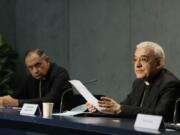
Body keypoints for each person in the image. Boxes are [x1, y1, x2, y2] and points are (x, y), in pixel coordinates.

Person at [87, 41, 180, 122]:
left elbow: (161, 115)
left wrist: (120, 109)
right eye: (135, 59)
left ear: (158, 63)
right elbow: (125, 106)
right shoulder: (138, 82)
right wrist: (101, 108)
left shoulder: (170, 84)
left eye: (143, 59)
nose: (137, 64)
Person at [0, 48, 73, 111]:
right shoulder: (31, 77)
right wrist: (3, 99)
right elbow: (17, 95)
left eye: (38, 65)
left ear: (47, 60)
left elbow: (50, 100)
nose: (35, 71)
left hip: (61, 120)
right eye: (30, 67)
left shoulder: (60, 74)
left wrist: (17, 102)